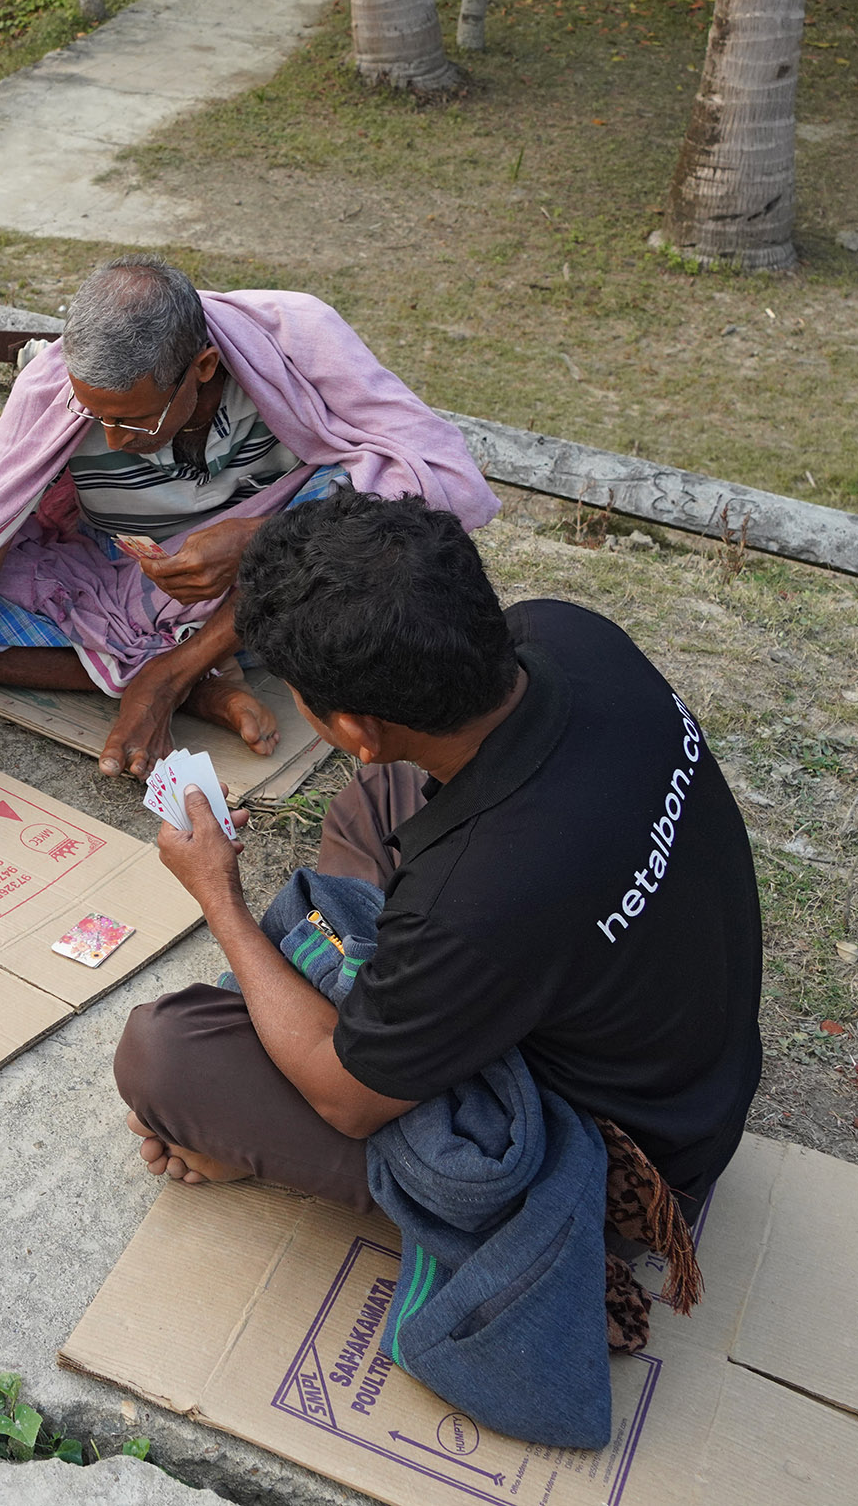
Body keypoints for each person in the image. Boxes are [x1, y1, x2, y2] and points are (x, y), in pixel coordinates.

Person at [113, 488, 763, 1228]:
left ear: (356, 725)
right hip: (691, 1061)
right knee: (375, 799)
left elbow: (347, 1099)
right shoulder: (570, 635)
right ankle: (382, 1015)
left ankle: (291, 1121)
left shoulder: (472, 900)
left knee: (165, 1059)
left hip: (628, 1166)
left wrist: (219, 895)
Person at [0, 257, 500, 862]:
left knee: (357, 509)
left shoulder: (296, 335)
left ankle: (178, 669)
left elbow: (434, 469)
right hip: (113, 572)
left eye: (131, 419)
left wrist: (257, 540)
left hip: (267, 574)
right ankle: (194, 682)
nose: (109, 435)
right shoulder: (53, 391)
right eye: (93, 413)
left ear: (204, 367)